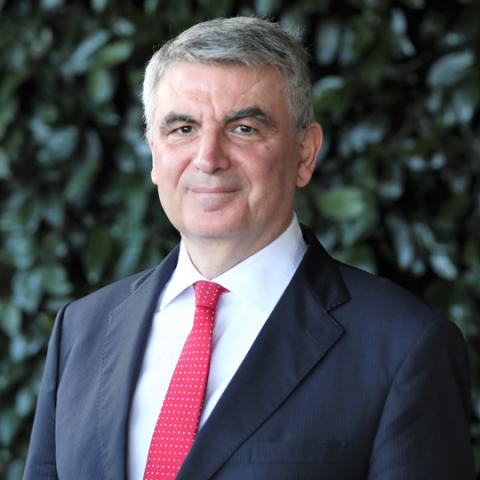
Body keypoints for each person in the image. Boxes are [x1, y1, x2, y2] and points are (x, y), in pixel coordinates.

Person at [24, 16, 475, 480]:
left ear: (305, 153)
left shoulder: (404, 347)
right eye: (183, 129)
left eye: (243, 128)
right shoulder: (81, 330)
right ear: (154, 152)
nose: (208, 159)